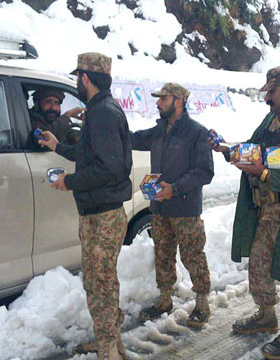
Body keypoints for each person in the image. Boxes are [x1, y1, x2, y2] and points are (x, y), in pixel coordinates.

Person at [209, 65, 280, 359]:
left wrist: (266, 176)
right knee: (259, 265)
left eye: (272, 93)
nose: (267, 99)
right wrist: (227, 149)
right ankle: (266, 315)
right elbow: (254, 149)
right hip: (265, 211)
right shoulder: (272, 120)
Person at [38, 52, 131, 360]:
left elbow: (110, 168)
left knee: (99, 285)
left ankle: (107, 350)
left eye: (78, 77)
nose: (77, 82)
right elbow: (90, 156)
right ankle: (110, 341)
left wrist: (70, 182)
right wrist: (58, 146)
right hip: (98, 213)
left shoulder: (102, 112)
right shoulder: (100, 109)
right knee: (100, 282)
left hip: (102, 216)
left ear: (85, 78)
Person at [130, 83, 214, 328]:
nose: (157, 103)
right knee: (163, 254)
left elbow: (204, 172)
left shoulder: (197, 132)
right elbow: (132, 139)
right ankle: (165, 300)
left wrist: (174, 188)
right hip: (160, 208)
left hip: (185, 210)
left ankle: (202, 303)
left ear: (178, 100)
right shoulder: (158, 131)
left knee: (193, 256)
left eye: (163, 99)